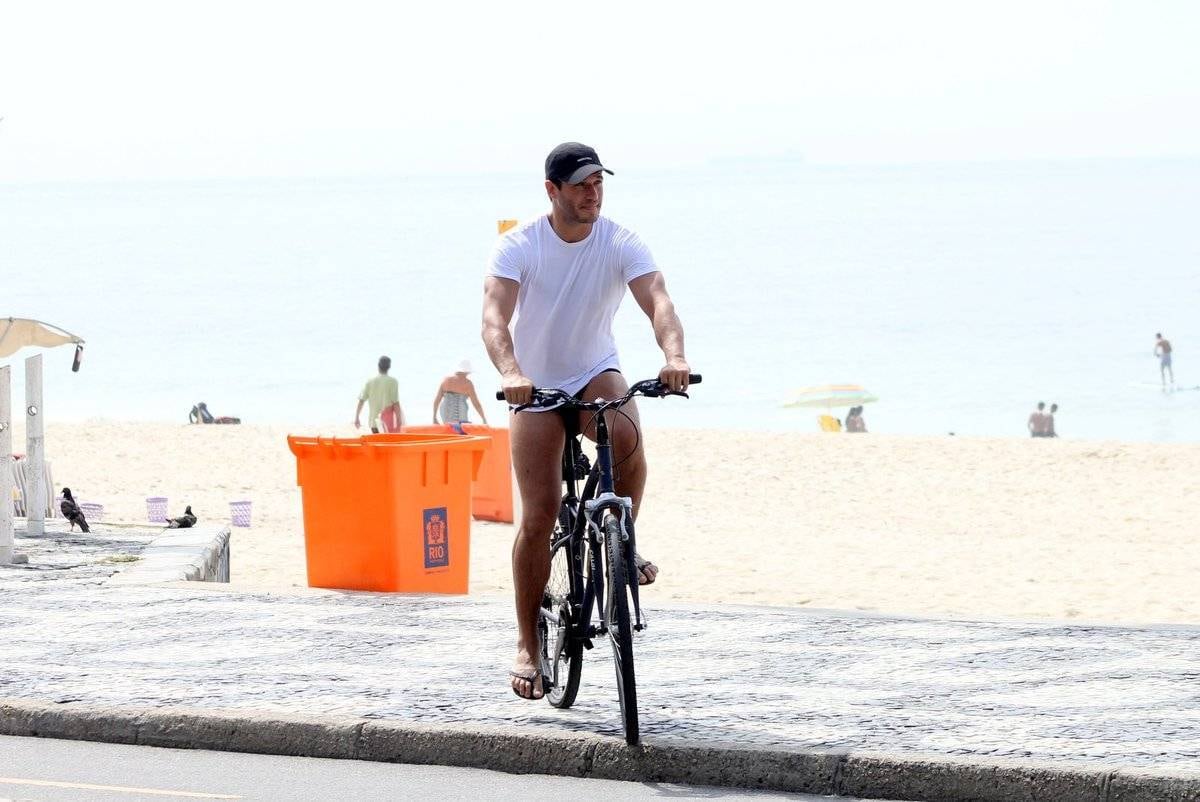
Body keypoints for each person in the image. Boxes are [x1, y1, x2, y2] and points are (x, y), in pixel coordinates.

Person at [482, 142, 691, 700]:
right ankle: (528, 644)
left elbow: (659, 303)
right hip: (536, 383)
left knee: (627, 434)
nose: (591, 193)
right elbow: (495, 316)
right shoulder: (519, 245)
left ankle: (623, 539)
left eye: (598, 183)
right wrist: (511, 371)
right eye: (580, 185)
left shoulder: (620, 240)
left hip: (595, 370)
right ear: (552, 191)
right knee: (540, 513)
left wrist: (673, 358)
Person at [354, 356, 404, 434]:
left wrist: (357, 417)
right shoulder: (393, 382)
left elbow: (361, 400)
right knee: (387, 444)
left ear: (378, 366)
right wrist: (399, 422)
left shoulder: (370, 381)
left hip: (373, 423)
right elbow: (396, 403)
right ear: (389, 367)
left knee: (377, 444)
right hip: (387, 424)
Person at [432, 360, 489, 426]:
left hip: (445, 410)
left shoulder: (446, 380)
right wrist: (483, 418)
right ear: (467, 371)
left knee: (449, 429)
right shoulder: (468, 383)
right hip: (460, 410)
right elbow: (476, 403)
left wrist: (434, 417)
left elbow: (437, 400)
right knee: (460, 430)